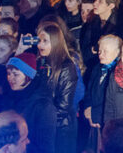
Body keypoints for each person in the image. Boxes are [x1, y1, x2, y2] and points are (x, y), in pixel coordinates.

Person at [35, 22, 79, 152]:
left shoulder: (66, 67)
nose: (40, 45)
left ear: (54, 42)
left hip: (60, 128)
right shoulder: (40, 62)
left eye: (45, 41)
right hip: (45, 126)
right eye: (39, 41)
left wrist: (43, 121)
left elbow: (64, 105)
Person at [3, 53, 57, 153]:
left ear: (28, 75)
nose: (10, 78)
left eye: (16, 74)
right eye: (8, 73)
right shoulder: (11, 97)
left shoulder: (43, 105)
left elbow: (45, 146)